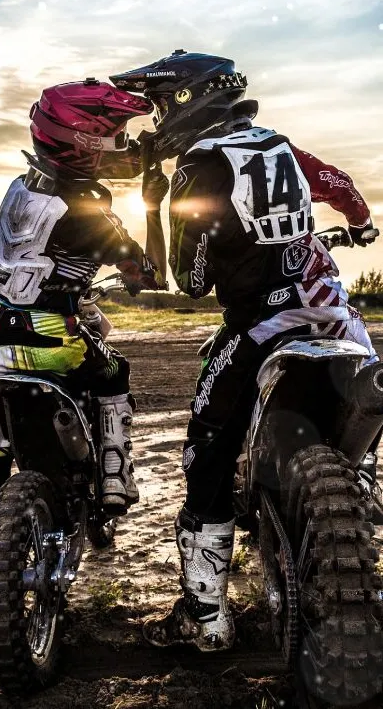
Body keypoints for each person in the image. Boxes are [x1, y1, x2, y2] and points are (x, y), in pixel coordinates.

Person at [111, 51, 380, 652]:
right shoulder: (278, 145)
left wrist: (156, 206)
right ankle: (354, 499)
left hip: (261, 327)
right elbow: (336, 184)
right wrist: (359, 223)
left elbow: (192, 280)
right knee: (360, 435)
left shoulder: (200, 167)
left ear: (186, 101)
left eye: (159, 103)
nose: (155, 118)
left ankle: (205, 618)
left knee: (206, 453)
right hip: (336, 318)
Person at [0, 76, 167, 545]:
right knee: (113, 372)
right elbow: (148, 276)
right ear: (84, 142)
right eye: (114, 138)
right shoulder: (87, 213)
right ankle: (113, 482)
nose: (119, 146)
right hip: (46, 342)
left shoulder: (21, 189)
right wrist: (150, 206)